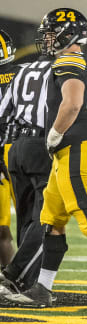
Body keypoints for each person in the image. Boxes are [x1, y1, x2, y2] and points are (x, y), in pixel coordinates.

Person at [4, 8, 87, 309]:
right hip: (78, 149)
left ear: (69, 34)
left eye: (52, 33)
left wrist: (56, 132)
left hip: (76, 152)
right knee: (52, 220)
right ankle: (42, 288)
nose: (48, 39)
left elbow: (73, 103)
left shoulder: (68, 60)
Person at [0, 30, 53, 295]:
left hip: (15, 147)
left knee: (24, 219)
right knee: (46, 218)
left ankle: (22, 279)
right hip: (44, 145)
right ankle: (16, 276)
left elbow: (3, 113)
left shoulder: (23, 70)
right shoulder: (67, 69)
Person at [0, 29, 19, 268]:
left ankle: (16, 276)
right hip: (19, 150)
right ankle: (19, 277)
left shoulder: (14, 77)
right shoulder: (21, 74)